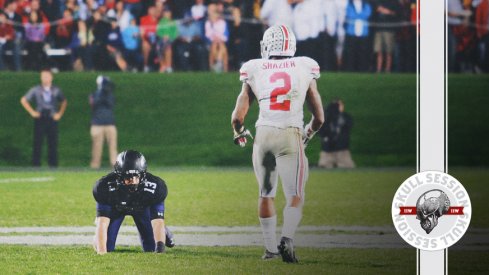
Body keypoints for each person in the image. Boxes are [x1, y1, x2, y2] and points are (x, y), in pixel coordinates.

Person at [231, 25, 324, 263]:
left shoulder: (254, 67)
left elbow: (238, 117)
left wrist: (239, 131)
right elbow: (319, 117)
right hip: (290, 133)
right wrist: (309, 132)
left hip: (263, 135)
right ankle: (288, 237)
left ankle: (271, 249)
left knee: (265, 194)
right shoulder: (304, 65)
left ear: (267, 45)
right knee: (295, 194)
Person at [92, 150, 175, 254]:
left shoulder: (156, 187)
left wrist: (160, 249)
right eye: (128, 178)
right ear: (119, 176)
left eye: (136, 177)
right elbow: (102, 223)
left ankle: (164, 231)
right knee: (105, 247)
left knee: (151, 248)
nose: (133, 182)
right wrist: (101, 253)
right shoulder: (104, 186)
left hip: (143, 208)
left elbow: (158, 220)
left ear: (143, 175)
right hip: (116, 209)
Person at [20, 69, 67, 167]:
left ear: (51, 77)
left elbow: (63, 101)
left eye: (46, 76)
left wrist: (59, 114)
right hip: (40, 117)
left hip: (52, 118)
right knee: (37, 142)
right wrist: (32, 112)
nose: (44, 78)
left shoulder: (56, 90)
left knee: (53, 142)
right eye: (43, 76)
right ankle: (36, 164)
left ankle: (53, 164)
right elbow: (24, 100)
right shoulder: (36, 89)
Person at [89, 76, 118, 169]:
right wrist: (101, 93)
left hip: (110, 124)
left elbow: (110, 104)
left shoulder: (110, 94)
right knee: (96, 148)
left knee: (113, 147)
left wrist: (106, 92)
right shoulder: (94, 94)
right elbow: (94, 104)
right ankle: (95, 165)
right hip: (97, 124)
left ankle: (115, 166)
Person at [318, 99, 355, 168]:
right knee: (325, 170)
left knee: (347, 170)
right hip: (327, 151)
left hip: (342, 150)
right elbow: (321, 131)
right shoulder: (326, 118)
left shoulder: (345, 117)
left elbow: (348, 126)